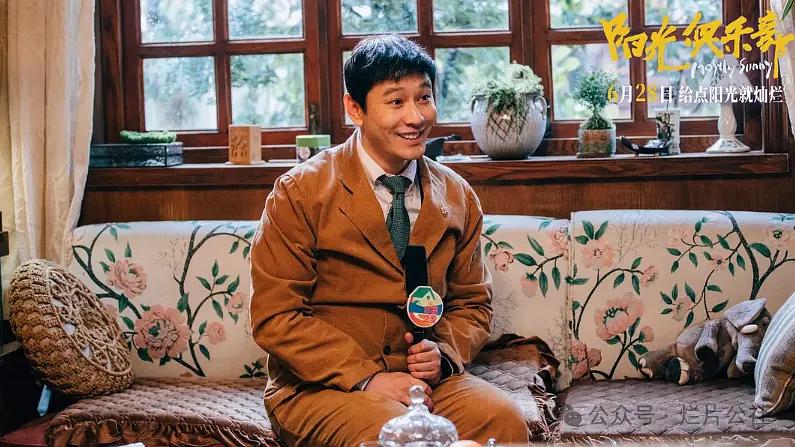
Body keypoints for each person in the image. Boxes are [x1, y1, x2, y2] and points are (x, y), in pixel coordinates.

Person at [249, 34, 528, 447]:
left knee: (504, 421)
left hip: (425, 384)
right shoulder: (300, 192)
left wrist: (443, 355)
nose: (415, 117)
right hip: (323, 386)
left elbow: (472, 304)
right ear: (355, 109)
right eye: (396, 101)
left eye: (424, 98)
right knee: (396, 434)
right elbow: (276, 316)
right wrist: (368, 378)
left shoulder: (458, 195)